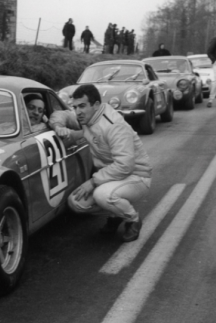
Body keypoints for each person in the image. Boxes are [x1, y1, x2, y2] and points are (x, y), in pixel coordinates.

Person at [52, 84, 152, 242]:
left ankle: (132, 219)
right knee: (76, 202)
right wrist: (58, 127)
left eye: (82, 106)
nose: (78, 112)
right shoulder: (86, 116)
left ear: (96, 105)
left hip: (136, 176)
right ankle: (116, 214)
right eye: (75, 107)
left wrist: (93, 182)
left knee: (102, 195)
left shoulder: (114, 125)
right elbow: (60, 114)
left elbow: (125, 165)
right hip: (112, 176)